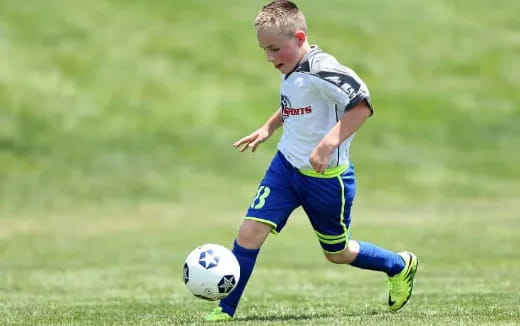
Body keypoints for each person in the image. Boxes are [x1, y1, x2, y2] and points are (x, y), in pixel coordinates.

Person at [206, 0, 418, 321]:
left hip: (326, 180)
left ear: (300, 38)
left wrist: (328, 143)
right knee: (249, 233)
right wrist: (268, 127)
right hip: (285, 169)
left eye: (275, 49)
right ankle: (224, 310)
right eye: (264, 50)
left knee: (338, 253)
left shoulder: (322, 69)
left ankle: (399, 265)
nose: (270, 58)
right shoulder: (291, 68)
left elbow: (362, 104)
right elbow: (294, 102)